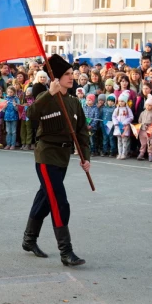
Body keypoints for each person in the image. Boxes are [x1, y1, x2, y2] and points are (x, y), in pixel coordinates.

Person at [23, 54, 89, 266]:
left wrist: (85, 157)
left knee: (45, 198)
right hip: (46, 156)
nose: (72, 78)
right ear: (56, 78)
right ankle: (66, 251)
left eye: (72, 74)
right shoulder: (47, 98)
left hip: (63, 157)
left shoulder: (74, 102)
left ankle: (29, 239)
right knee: (59, 201)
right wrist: (48, 94)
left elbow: (82, 133)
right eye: (67, 75)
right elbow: (30, 114)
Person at [137, 95, 152, 162]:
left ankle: (150, 154)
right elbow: (139, 121)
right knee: (143, 143)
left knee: (150, 143)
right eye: (147, 105)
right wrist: (142, 126)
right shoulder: (142, 113)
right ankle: (141, 153)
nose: (148, 107)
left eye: (150, 105)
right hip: (142, 130)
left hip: (150, 131)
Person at [113, 93, 134, 160]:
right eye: (119, 101)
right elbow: (114, 116)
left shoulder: (128, 109)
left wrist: (125, 122)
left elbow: (131, 117)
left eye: (122, 101)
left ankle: (124, 153)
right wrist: (116, 122)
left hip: (125, 127)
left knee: (125, 141)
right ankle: (119, 153)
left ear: (125, 102)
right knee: (119, 141)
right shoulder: (116, 109)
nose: (121, 103)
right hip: (118, 127)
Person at [3, 86, 19, 150]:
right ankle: (8, 144)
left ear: (14, 92)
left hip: (14, 117)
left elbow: (18, 109)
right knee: (8, 131)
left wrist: (15, 105)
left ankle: (13, 144)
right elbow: (3, 110)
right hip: (7, 117)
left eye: (11, 92)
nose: (10, 93)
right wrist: (4, 106)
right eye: (8, 92)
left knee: (13, 131)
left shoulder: (16, 99)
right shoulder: (5, 99)